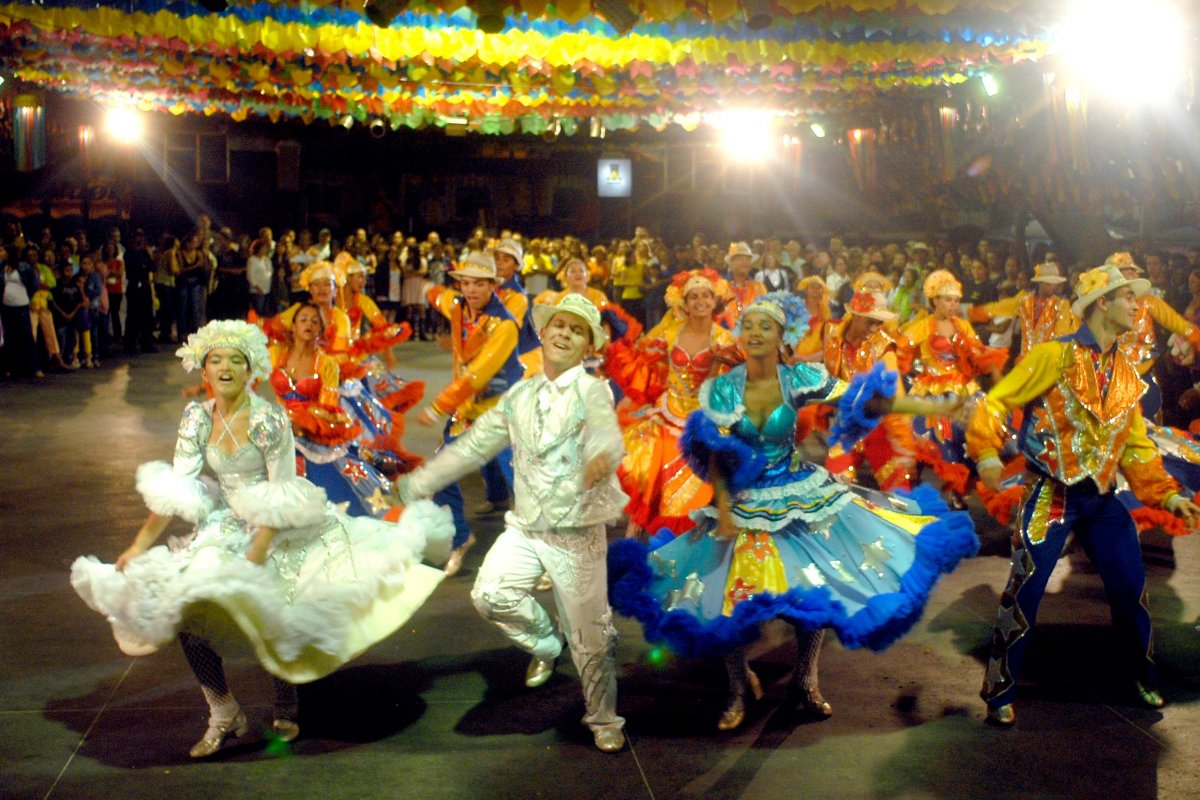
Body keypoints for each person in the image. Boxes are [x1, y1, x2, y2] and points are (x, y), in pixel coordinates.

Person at [70, 319, 453, 758]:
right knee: (186, 608)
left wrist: (258, 553)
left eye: (236, 360)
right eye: (216, 360)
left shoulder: (268, 418)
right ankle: (223, 711)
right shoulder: (196, 417)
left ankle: (286, 700)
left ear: (251, 369)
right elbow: (178, 487)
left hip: (271, 525)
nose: (226, 367)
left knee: (274, 607)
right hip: (222, 524)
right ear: (203, 369)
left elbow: (280, 492)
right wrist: (139, 545)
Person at [608, 293, 978, 731]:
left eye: (766, 326)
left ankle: (805, 681)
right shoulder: (724, 388)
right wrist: (722, 507)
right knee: (732, 600)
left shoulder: (800, 378)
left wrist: (932, 406)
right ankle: (738, 688)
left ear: (782, 336)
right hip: (744, 502)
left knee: (813, 589)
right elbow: (713, 450)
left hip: (800, 496)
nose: (756, 333)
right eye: (749, 325)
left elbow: (863, 400)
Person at [968, 264, 1200, 726]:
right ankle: (999, 688)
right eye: (1128, 297)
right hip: (1051, 496)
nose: (1137, 305)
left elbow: (1136, 446)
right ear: (1102, 303)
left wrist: (1167, 496)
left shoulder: (1126, 372)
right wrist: (987, 453)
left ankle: (1142, 675)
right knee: (1025, 590)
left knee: (1131, 588)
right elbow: (997, 401)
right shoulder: (1052, 356)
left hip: (1102, 500)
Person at [400, 295, 627, 753]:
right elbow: (473, 446)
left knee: (590, 637)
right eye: (558, 325)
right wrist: (420, 481)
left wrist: (601, 456)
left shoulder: (592, 391)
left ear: (587, 346)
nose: (564, 334)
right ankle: (546, 644)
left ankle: (603, 717)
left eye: (576, 330)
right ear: (542, 333)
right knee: (490, 594)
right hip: (525, 527)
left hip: (576, 533)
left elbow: (606, 431)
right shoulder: (518, 396)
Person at [609, 268, 738, 538]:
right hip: (668, 413)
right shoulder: (669, 333)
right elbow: (646, 366)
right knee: (652, 476)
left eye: (706, 295)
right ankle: (646, 533)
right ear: (684, 302)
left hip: (703, 419)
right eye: (693, 296)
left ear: (714, 300)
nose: (700, 301)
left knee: (695, 490)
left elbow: (731, 384)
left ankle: (687, 540)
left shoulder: (724, 339)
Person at [419, 252, 524, 574]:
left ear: (493, 285)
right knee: (440, 475)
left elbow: (478, 375)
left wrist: (439, 406)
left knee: (523, 485)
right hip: (467, 413)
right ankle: (459, 539)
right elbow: (440, 296)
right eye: (466, 283)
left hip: (500, 414)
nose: (471, 290)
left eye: (479, 284)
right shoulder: (458, 307)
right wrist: (427, 288)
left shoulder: (505, 325)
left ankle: (539, 555)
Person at [967, 262, 1077, 359]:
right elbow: (1003, 307)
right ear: (1040, 283)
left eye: (1054, 284)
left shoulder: (1062, 304)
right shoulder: (1024, 298)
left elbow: (1062, 333)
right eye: (1048, 284)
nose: (1052, 287)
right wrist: (975, 313)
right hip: (1025, 356)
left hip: (1047, 359)